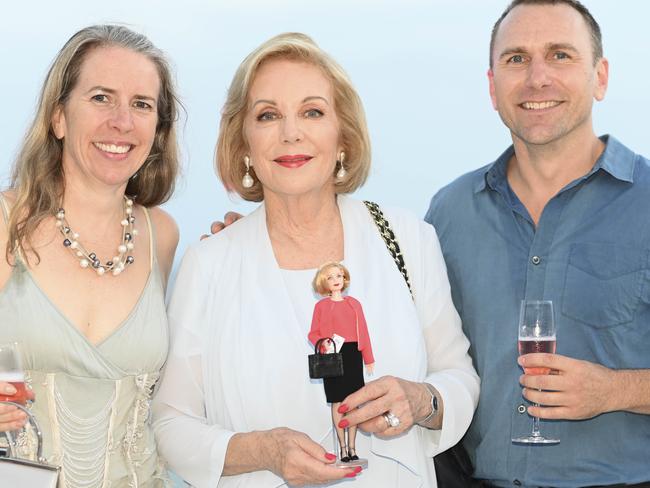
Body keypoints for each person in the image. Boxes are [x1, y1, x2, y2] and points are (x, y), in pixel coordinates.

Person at [152, 32, 479, 487]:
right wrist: (263, 450)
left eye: (312, 111)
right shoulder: (208, 263)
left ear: (342, 134)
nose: (291, 132)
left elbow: (460, 379)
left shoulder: (407, 239)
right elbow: (169, 424)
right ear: (243, 142)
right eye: (268, 115)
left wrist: (421, 400)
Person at [425, 1, 650, 486]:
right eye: (516, 59)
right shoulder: (449, 212)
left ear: (601, 77)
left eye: (561, 55)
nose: (537, 78)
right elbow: (396, 335)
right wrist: (261, 237)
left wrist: (617, 390)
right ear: (492, 86)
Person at [0, 25, 180, 486]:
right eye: (101, 97)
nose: (121, 122)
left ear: (157, 130)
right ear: (59, 117)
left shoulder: (160, 234)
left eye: (142, 105)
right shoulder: (6, 222)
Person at [308, 262, 374, 464]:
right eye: (331, 277)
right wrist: (323, 344)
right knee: (337, 401)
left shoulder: (354, 304)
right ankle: (342, 449)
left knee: (352, 402)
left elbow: (364, 331)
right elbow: (313, 333)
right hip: (334, 355)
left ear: (344, 279)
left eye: (339, 276)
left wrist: (368, 358)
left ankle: (353, 447)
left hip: (353, 354)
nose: (336, 280)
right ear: (324, 282)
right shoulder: (321, 306)